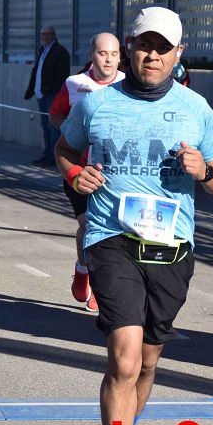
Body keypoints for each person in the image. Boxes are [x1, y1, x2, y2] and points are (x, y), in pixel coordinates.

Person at [56, 7, 213, 425]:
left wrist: (204, 170)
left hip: (172, 245)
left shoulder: (196, 107)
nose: (152, 55)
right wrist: (75, 175)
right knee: (125, 358)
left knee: (149, 363)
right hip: (112, 237)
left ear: (179, 54)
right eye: (144, 45)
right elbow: (64, 150)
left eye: (164, 47)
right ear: (129, 47)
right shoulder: (98, 103)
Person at [49, 33, 125, 312]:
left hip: (114, 173)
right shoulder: (74, 84)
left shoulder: (127, 85)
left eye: (115, 54)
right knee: (88, 226)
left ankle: (96, 280)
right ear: (92, 55)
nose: (109, 59)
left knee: (111, 232)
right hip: (79, 169)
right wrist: (73, 132)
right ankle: (84, 271)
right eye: (103, 53)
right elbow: (55, 114)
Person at [23, 25, 71, 166]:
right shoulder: (43, 51)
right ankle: (47, 154)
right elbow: (36, 71)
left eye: (47, 34)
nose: (44, 37)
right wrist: (31, 90)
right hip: (41, 94)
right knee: (45, 126)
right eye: (43, 34)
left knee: (53, 126)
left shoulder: (60, 52)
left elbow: (62, 75)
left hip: (52, 94)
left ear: (53, 35)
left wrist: (52, 90)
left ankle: (54, 157)